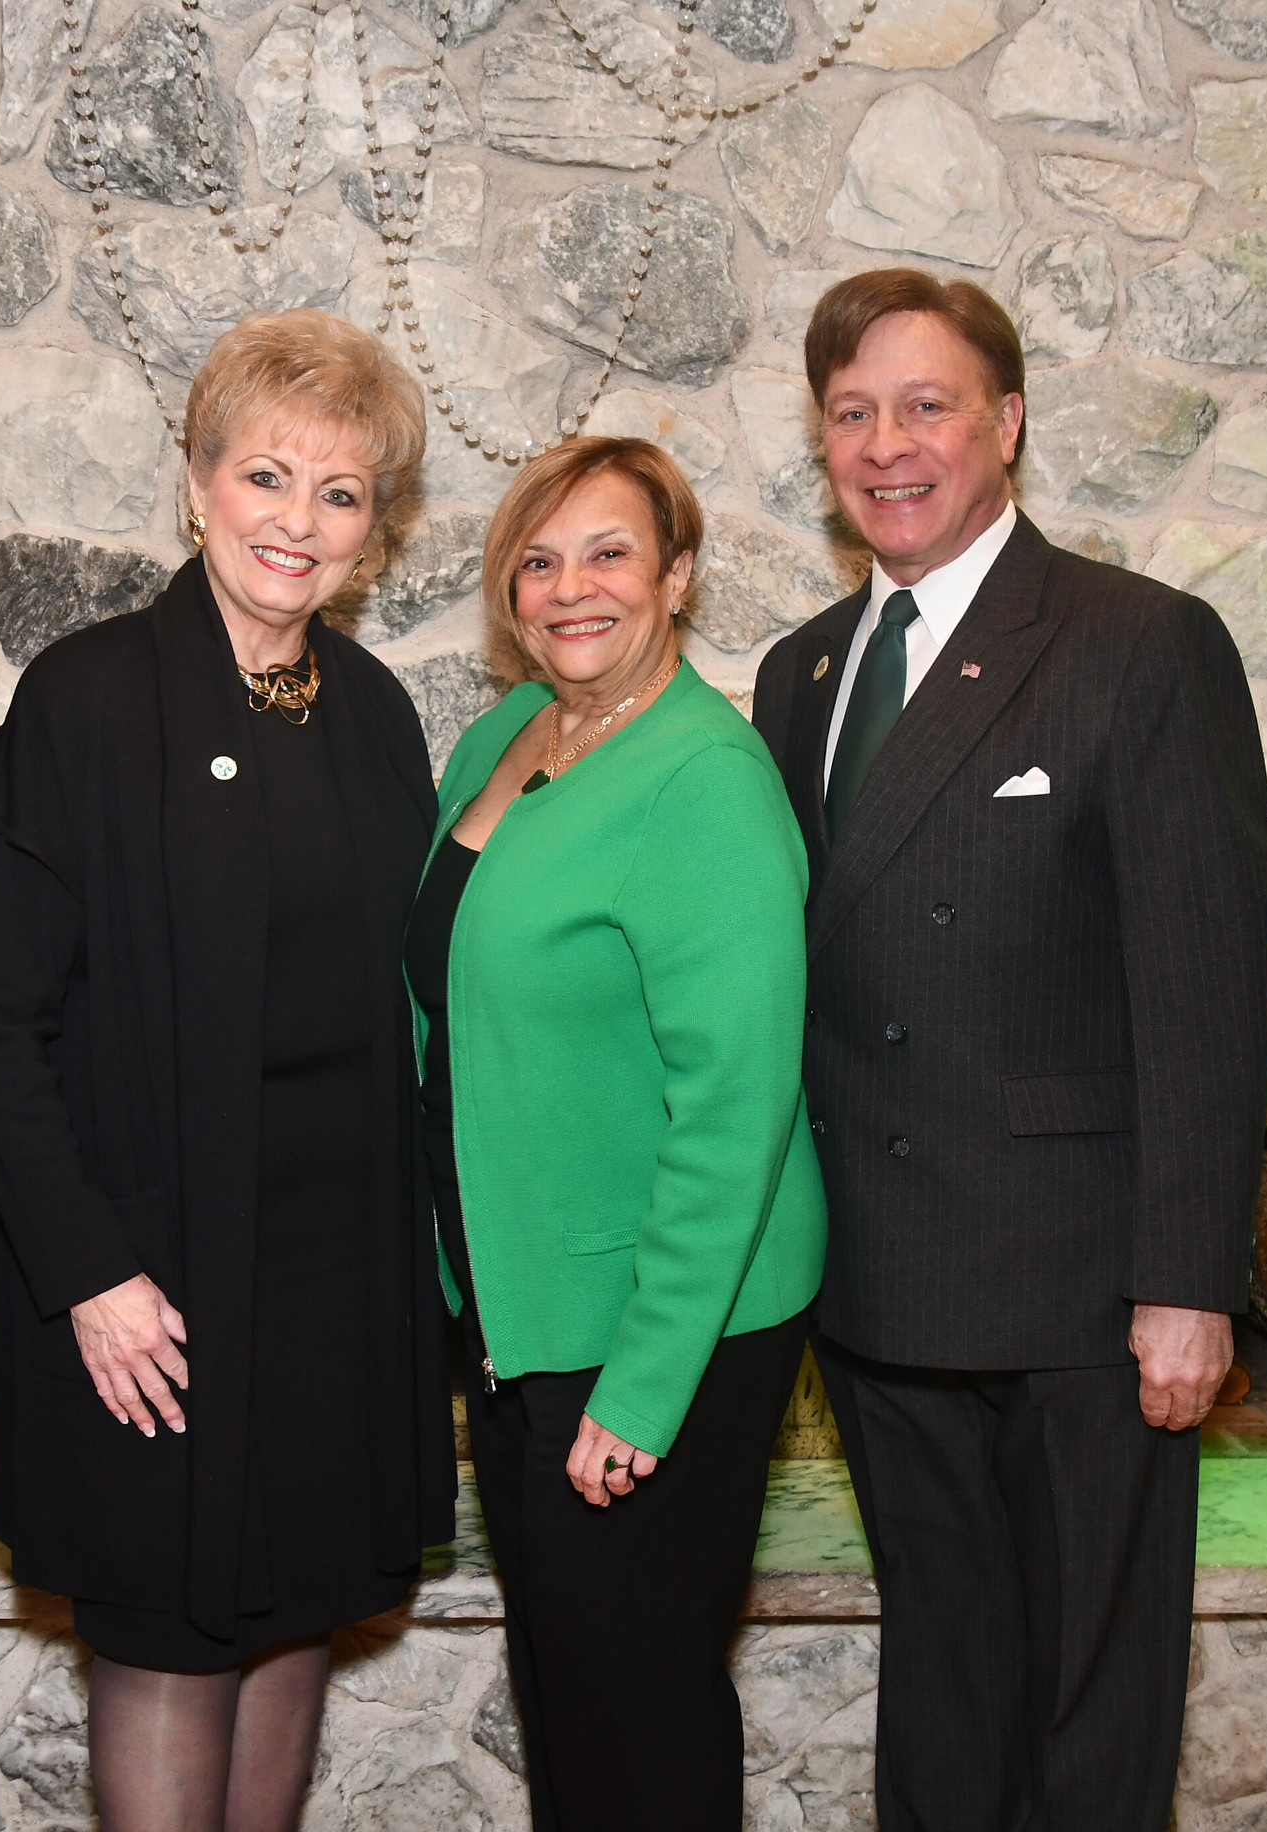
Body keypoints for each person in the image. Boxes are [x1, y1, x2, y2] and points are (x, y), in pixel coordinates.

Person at [750, 269, 1267, 1831]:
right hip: (882, 1289)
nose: (888, 444)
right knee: (947, 1684)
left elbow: (1205, 985)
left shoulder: (1140, 643)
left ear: (1009, 424)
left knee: (1089, 1715)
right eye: (854, 413)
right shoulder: (802, 674)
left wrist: (1188, 1285)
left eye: (928, 406)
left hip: (1084, 1303)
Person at [0, 307, 454, 1832]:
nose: (295, 524)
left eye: (340, 493)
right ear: (194, 484)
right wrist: (88, 1275)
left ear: (374, 531)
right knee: (171, 1641)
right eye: (264, 476)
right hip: (150, 1291)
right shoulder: (91, 700)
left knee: (296, 1614)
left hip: (330, 1289)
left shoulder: (374, 719)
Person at [407, 436, 826, 1832]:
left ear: (679, 574)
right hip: (522, 1304)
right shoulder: (503, 735)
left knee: (637, 1712)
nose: (569, 588)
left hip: (654, 1325)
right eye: (539, 559)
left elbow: (736, 1110)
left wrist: (643, 1391)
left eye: (609, 554)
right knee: (569, 1695)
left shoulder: (706, 781)